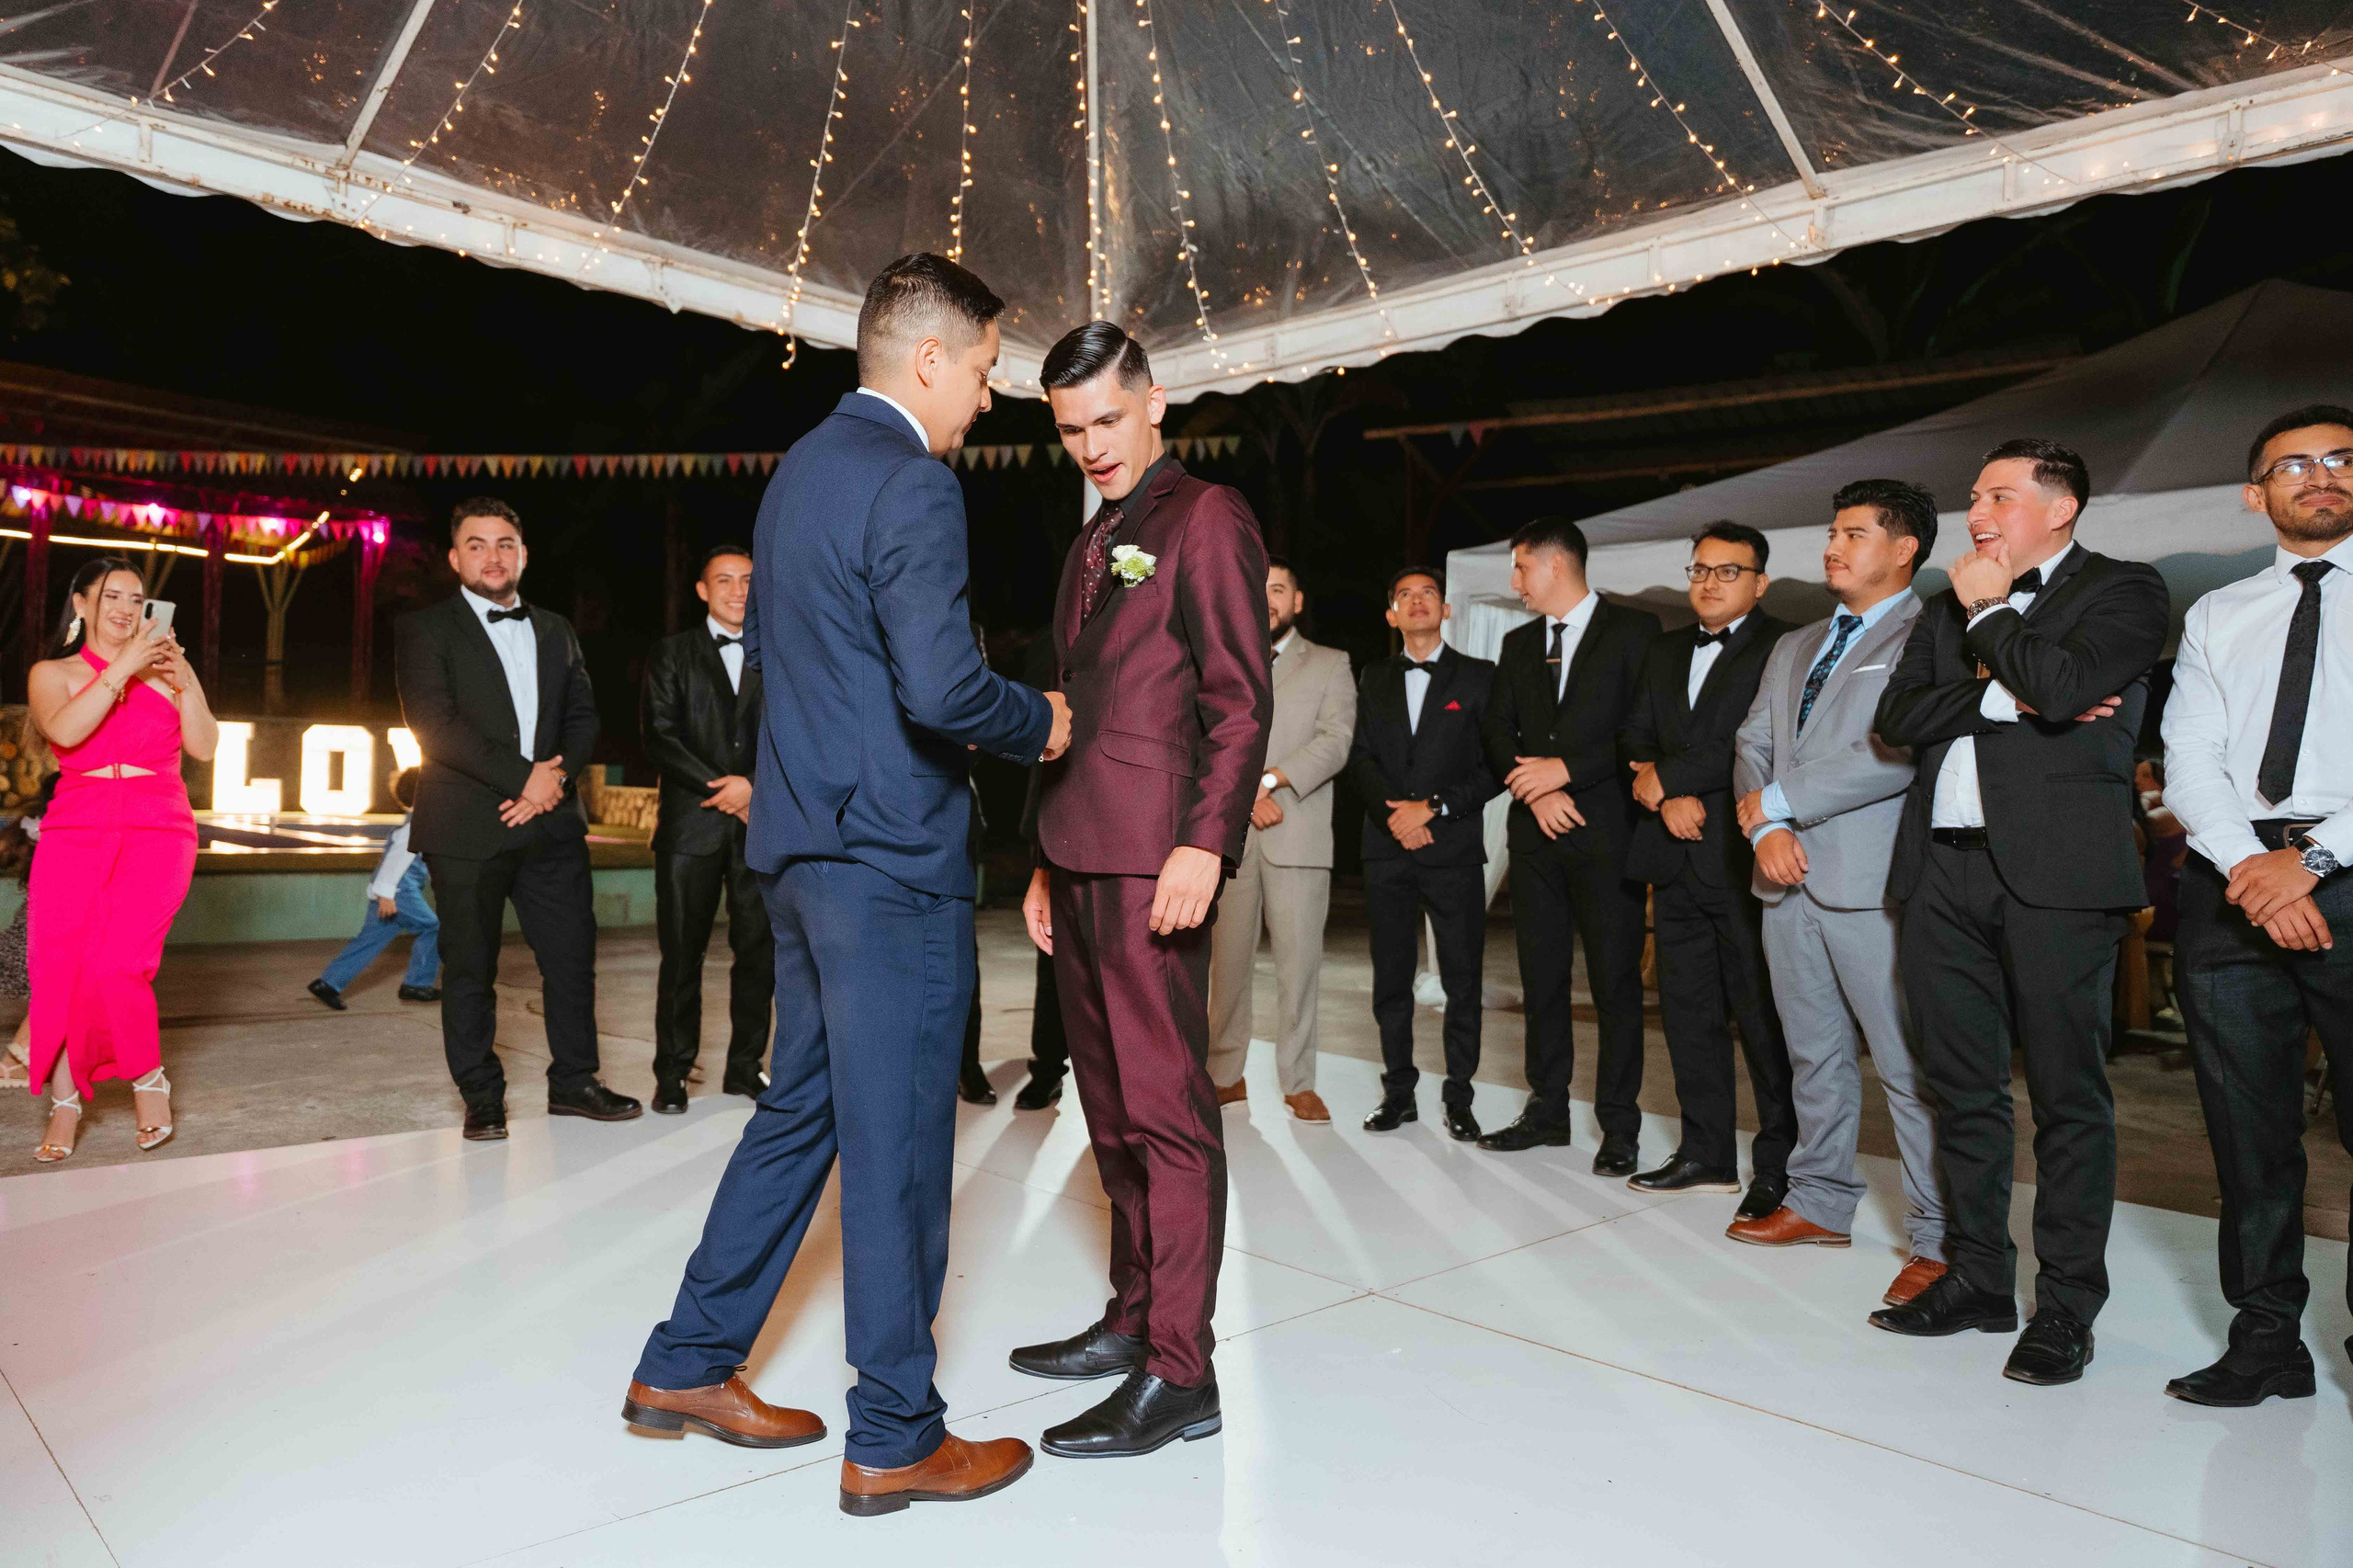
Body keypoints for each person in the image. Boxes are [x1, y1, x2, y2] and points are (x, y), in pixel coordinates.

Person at [626, 255, 1066, 1517]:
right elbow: (937, 688)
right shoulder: (914, 484)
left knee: (801, 1113)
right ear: (929, 358)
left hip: (804, 858)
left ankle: (687, 1364)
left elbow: (800, 674)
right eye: (984, 373)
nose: (986, 401)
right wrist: (1039, 718)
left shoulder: (799, 474)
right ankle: (897, 1434)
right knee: (901, 1148)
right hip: (888, 867)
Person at [1013, 320, 1269, 1460]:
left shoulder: (1204, 518)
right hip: (1080, 859)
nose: (1090, 446)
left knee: (1167, 1115)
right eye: (1070, 430)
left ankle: (1182, 1368)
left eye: (1106, 420)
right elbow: (1075, 712)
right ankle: (1132, 1315)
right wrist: (1042, 855)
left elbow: (1239, 700)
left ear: (1155, 403)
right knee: (1110, 1110)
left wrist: (1204, 845)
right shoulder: (1092, 544)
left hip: (1157, 862)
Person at [1869, 439, 2168, 1387]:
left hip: (2058, 882)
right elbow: (1898, 719)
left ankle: (2067, 1308)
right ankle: (1978, 1277)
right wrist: (2008, 695)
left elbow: (2072, 687)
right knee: (1961, 1088)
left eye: (1999, 493)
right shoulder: (1935, 607)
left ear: (2062, 504)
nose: (1978, 510)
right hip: (1939, 874)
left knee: (2069, 1099)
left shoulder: (2126, 591)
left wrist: (1994, 613)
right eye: (1973, 494)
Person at [2159, 403, 2353, 1405]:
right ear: (2256, 493)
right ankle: (2266, 1338)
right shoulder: (2215, 612)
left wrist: (2313, 858)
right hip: (2231, 887)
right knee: (2247, 1130)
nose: (2319, 476)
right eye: (2292, 464)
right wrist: (2249, 867)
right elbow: (2189, 757)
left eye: (2339, 460)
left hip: (2345, 865)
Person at [1728, 483, 1948, 1307]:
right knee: (1812, 1056)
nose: (1831, 547)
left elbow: (1898, 748)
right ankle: (1818, 1202)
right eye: (1830, 532)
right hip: (1781, 877)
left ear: (1903, 550)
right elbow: (1751, 743)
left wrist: (1784, 804)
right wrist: (1764, 830)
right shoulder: (1796, 642)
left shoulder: (1934, 635)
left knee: (1909, 1067)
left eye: (1853, 534)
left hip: (1872, 883)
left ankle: (1937, 1235)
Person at [394, 496, 640, 1141]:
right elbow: (434, 726)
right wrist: (522, 776)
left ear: (523, 554)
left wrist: (551, 779)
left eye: (504, 543)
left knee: (570, 960)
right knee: (470, 966)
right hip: (467, 828)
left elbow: (584, 716)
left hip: (552, 822)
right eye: (477, 544)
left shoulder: (556, 628)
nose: (493, 556)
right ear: (455, 558)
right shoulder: (426, 630)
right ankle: (482, 1096)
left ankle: (575, 1082)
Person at [1620, 523, 1797, 1210]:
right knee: (1687, 1014)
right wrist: (1664, 796)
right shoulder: (1664, 649)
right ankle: (1705, 1153)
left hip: (1741, 854)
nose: (1709, 582)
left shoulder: (1783, 645)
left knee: (1763, 1020)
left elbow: (1754, 740)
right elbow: (1632, 734)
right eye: (1699, 569)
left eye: (1728, 571)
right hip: (1673, 856)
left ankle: (1780, 1168)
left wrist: (1672, 781)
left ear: (1760, 582)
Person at [1476, 516, 1660, 1167]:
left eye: (1522, 567)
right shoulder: (1519, 645)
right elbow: (1496, 730)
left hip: (1608, 838)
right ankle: (1547, 1110)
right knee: (1542, 980)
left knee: (1615, 986)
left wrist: (1568, 773)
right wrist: (1537, 790)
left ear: (1556, 565)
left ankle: (1621, 1127)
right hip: (1535, 840)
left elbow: (1642, 730)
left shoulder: (1636, 634)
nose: (1515, 581)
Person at [24, 557, 217, 1162]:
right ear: (81, 605)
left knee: (116, 965)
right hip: (75, 828)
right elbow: (67, 732)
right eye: (112, 596)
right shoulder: (51, 673)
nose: (126, 609)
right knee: (62, 971)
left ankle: (147, 1077)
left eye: (136, 599)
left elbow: (205, 746)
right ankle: (64, 1101)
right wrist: (121, 670)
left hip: (158, 826)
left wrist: (181, 673)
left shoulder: (166, 673)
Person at [1205, 556, 1356, 1122]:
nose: (1266, 598)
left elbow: (1336, 741)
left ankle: (1299, 1081)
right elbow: (1206, 739)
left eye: (1278, 589)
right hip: (1231, 838)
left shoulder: (1330, 663)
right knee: (1227, 965)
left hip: (1300, 834)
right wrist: (1245, 798)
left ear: (1297, 602)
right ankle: (1224, 1074)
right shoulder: (1220, 662)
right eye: (1257, 589)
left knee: (1300, 966)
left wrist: (1268, 780)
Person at [1353, 566, 1498, 1139]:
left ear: (1447, 609)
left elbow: (1495, 769)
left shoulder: (1480, 678)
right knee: (1391, 977)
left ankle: (1460, 1097)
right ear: (1391, 614)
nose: (1417, 602)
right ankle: (1399, 1093)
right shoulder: (1373, 676)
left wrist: (1432, 808)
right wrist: (1397, 816)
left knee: (1463, 979)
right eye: (1404, 595)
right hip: (1387, 849)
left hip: (1453, 847)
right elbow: (1359, 757)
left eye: (1428, 594)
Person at [642, 543, 772, 1114]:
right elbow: (659, 737)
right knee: (681, 956)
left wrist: (756, 787)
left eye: (747, 580)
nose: (738, 591)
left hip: (762, 825)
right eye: (725, 580)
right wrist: (728, 788)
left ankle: (745, 1069)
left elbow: (797, 732)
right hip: (689, 831)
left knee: (759, 954)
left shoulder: (781, 654)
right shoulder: (671, 654)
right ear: (703, 590)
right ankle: (671, 1074)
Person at [307, 767, 441, 1009]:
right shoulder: (415, 827)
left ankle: (328, 984)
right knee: (434, 928)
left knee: (369, 940)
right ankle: (417, 984)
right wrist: (386, 894)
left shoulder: (414, 824)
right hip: (399, 893)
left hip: (391, 893)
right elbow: (394, 862)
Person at [1013, 630, 1071, 1110]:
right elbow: (1039, 749)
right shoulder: (1050, 645)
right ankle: (1048, 1067)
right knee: (1053, 948)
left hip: (1140, 819)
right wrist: (1039, 847)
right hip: (1062, 808)